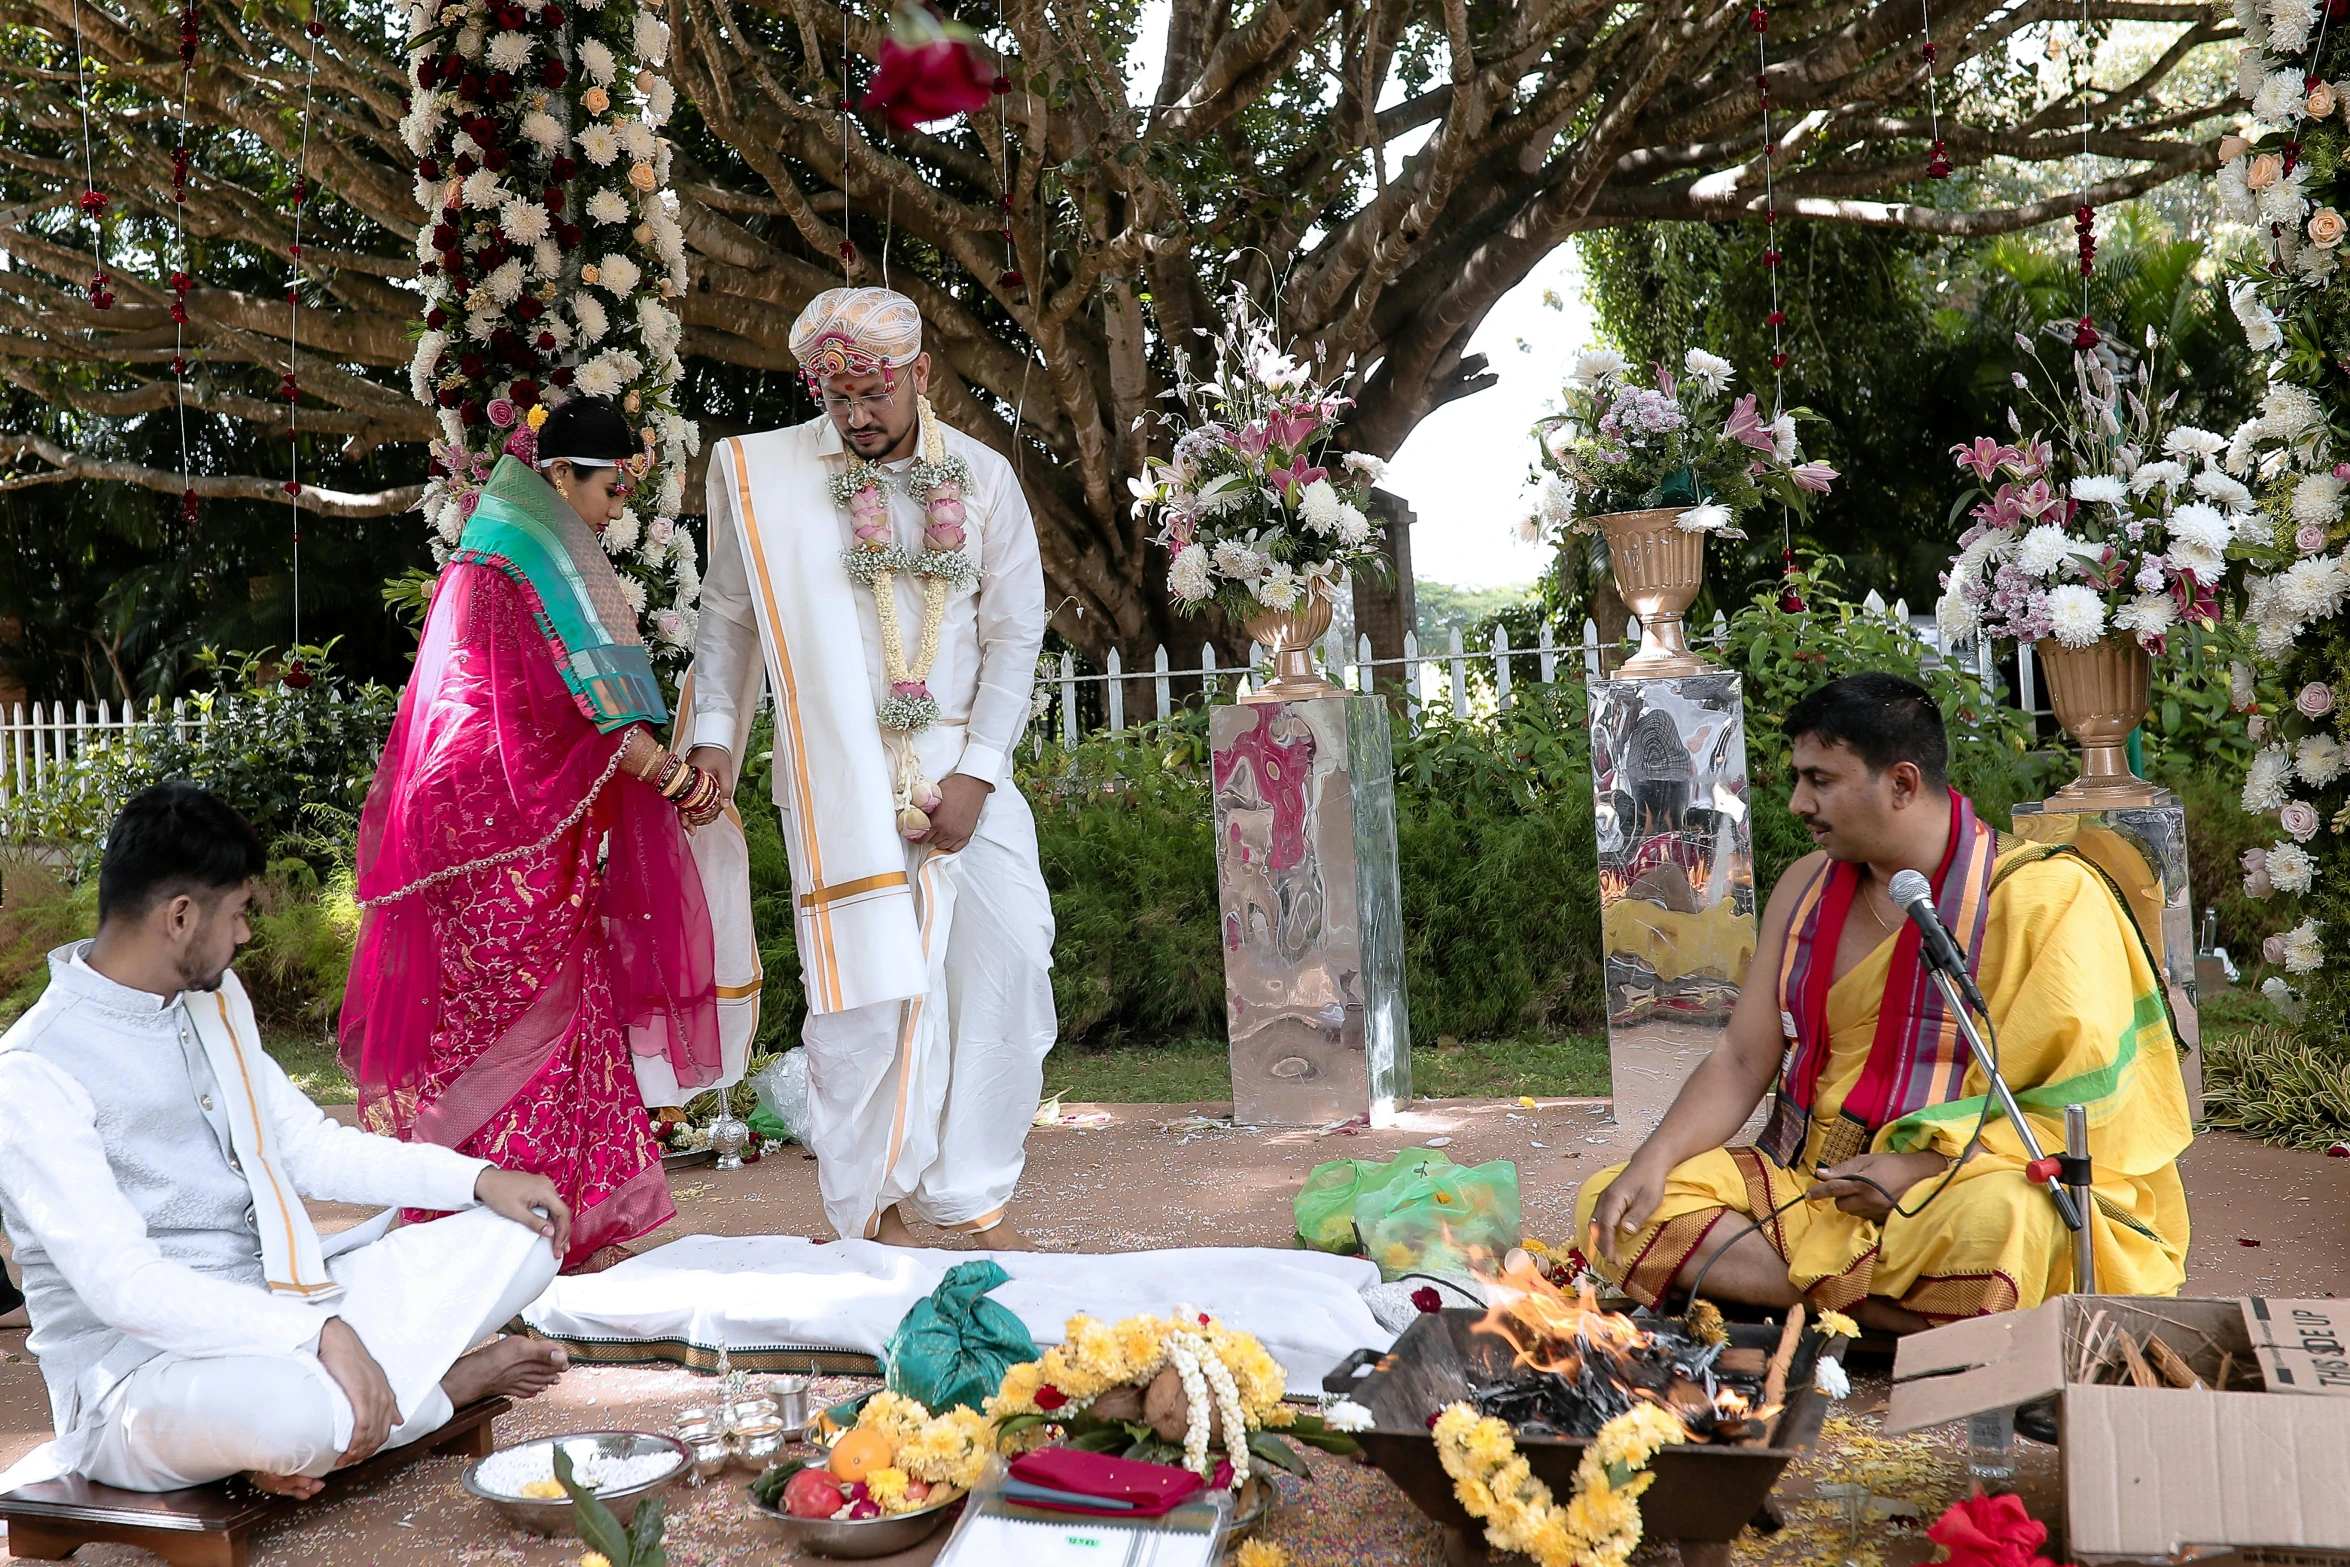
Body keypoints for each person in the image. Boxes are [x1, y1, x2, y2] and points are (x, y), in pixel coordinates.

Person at [0, 783, 570, 1496]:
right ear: (180, 916)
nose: (244, 934)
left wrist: (479, 1179)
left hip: (285, 1305)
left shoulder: (213, 999)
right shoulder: (36, 1070)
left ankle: (330, 1416)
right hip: (139, 1378)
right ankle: (448, 1386)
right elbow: (125, 1287)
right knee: (296, 1414)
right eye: (237, 913)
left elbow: (312, 1148)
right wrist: (321, 1334)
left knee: (525, 1234)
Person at [1575, 673, 2192, 1331]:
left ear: (1901, 783)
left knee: (2016, 1218)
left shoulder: (2046, 896)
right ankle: (1881, 1311)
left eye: (1820, 780)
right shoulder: (1804, 887)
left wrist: (1916, 1168)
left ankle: (1800, 1297)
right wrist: (1653, 1160)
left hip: (1949, 1184)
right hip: (1808, 1185)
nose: (1796, 802)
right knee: (1612, 1206)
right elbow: (1738, 1058)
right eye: (1798, 778)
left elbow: (2080, 1109)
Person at [683, 286, 1056, 1249]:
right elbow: (727, 620)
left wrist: (979, 771)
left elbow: (1016, 634)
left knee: (1011, 960)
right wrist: (716, 734)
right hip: (836, 775)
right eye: (837, 395)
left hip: (967, 768)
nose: (855, 415)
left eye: (874, 392)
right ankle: (867, 1211)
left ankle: (969, 1191)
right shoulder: (766, 479)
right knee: (860, 999)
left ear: (922, 375)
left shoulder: (981, 479)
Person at [340, 398, 728, 1274]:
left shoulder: (504, 558)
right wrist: (676, 779)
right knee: (512, 1009)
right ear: (560, 476)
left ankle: (557, 1220)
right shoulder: (519, 571)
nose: (620, 504)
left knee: (556, 998)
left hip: (510, 831)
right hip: (494, 838)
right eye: (611, 484)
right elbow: (575, 715)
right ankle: (499, 1225)